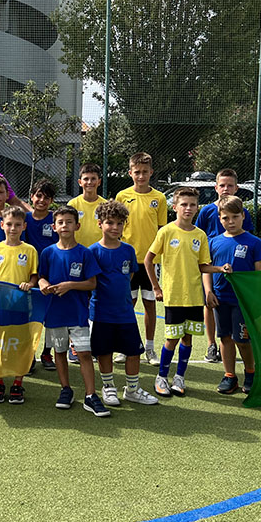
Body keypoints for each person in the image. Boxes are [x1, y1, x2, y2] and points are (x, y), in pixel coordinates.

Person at [144, 187, 231, 397]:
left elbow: (203, 266)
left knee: (187, 338)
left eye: (192, 205)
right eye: (183, 204)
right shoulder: (166, 231)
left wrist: (219, 268)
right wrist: (156, 286)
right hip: (174, 296)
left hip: (194, 296)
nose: (188, 208)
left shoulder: (200, 235)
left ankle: (179, 377)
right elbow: (148, 260)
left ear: (197, 208)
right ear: (175, 207)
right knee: (171, 339)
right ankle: (161, 377)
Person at [38, 205, 109, 417]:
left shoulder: (84, 253)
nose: (65, 226)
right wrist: (43, 284)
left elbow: (92, 283)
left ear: (77, 225)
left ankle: (90, 395)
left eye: (69, 222)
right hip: (55, 313)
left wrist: (70, 285)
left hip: (78, 313)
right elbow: (41, 276)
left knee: (84, 354)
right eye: (60, 222)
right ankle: (66, 389)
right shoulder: (48, 253)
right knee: (59, 352)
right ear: (54, 227)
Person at [89, 200, 159, 407]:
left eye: (120, 223)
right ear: (100, 224)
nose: (115, 228)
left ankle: (133, 389)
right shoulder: (92, 251)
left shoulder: (128, 250)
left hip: (125, 312)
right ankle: (109, 387)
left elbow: (128, 277)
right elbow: (91, 282)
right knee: (104, 352)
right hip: (101, 312)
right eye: (110, 223)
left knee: (133, 351)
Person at [206, 196, 261, 395]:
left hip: (243, 301)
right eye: (225, 218)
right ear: (219, 218)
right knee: (224, 337)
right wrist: (208, 291)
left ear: (243, 216)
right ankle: (229, 375)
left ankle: (250, 372)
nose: (230, 222)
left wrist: (255, 299)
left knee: (242, 340)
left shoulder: (254, 242)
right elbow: (206, 269)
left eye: (235, 217)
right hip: (221, 299)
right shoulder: (213, 242)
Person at [195, 168, 254, 364]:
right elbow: (198, 235)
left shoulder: (242, 212)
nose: (226, 189)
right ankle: (212, 345)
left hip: (237, 271)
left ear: (237, 188)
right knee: (210, 303)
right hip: (213, 266)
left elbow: (249, 237)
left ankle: (247, 365)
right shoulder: (207, 211)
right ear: (216, 187)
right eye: (222, 185)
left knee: (236, 313)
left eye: (230, 185)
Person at [0, 206, 38, 404]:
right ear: (2, 225)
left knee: (20, 345)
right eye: (9, 224)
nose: (13, 228)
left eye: (17, 225)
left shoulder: (29, 250)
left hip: (21, 306)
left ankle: (17, 383)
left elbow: (34, 276)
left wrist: (30, 284)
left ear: (24, 226)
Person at [115, 152, 168, 364]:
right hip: (127, 261)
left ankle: (149, 348)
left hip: (151, 262)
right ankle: (125, 346)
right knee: (127, 304)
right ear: (130, 173)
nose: (141, 175)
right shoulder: (122, 196)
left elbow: (162, 230)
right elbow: (115, 230)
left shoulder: (159, 198)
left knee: (149, 304)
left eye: (145, 172)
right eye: (137, 172)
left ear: (151, 172)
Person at [24, 179, 58, 370]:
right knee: (30, 317)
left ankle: (47, 353)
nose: (42, 200)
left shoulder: (55, 219)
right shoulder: (25, 219)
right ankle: (29, 355)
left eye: (46, 197)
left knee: (50, 316)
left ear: (51, 200)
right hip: (29, 274)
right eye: (38, 196)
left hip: (50, 273)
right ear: (32, 197)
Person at [68, 163, 105, 249]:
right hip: (78, 251)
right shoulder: (72, 204)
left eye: (93, 179)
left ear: (99, 182)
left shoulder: (105, 205)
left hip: (99, 251)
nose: (89, 182)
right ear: (80, 182)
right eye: (86, 179)